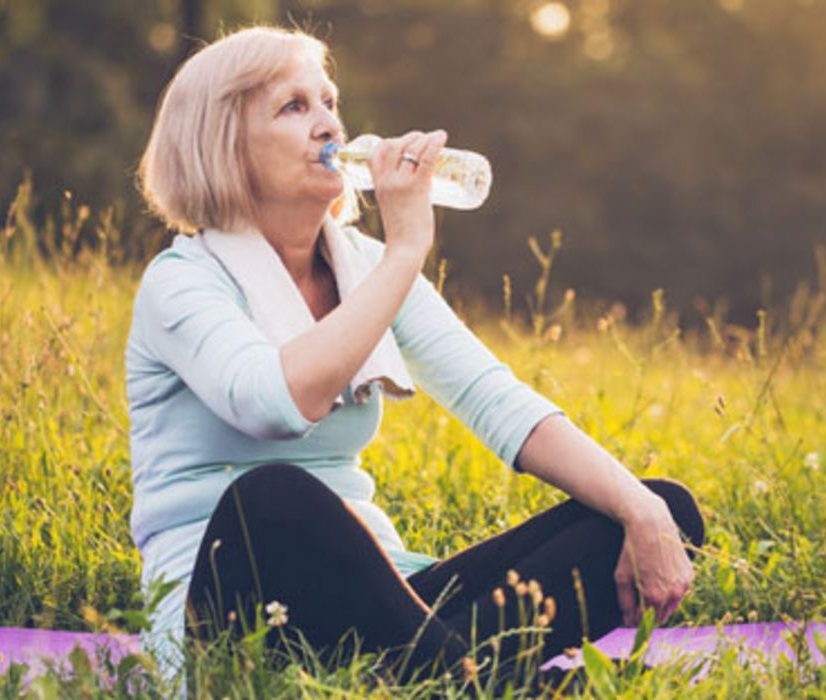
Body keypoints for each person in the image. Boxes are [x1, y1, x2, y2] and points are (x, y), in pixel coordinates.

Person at [127, 25, 706, 690]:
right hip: (238, 612)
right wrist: (405, 251)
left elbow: (496, 401)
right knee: (274, 495)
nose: (328, 126)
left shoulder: (363, 267)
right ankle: (475, 683)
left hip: (388, 601)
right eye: (294, 107)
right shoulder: (182, 281)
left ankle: (428, 679)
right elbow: (276, 406)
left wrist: (638, 510)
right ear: (224, 145)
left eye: (330, 102)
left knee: (658, 509)